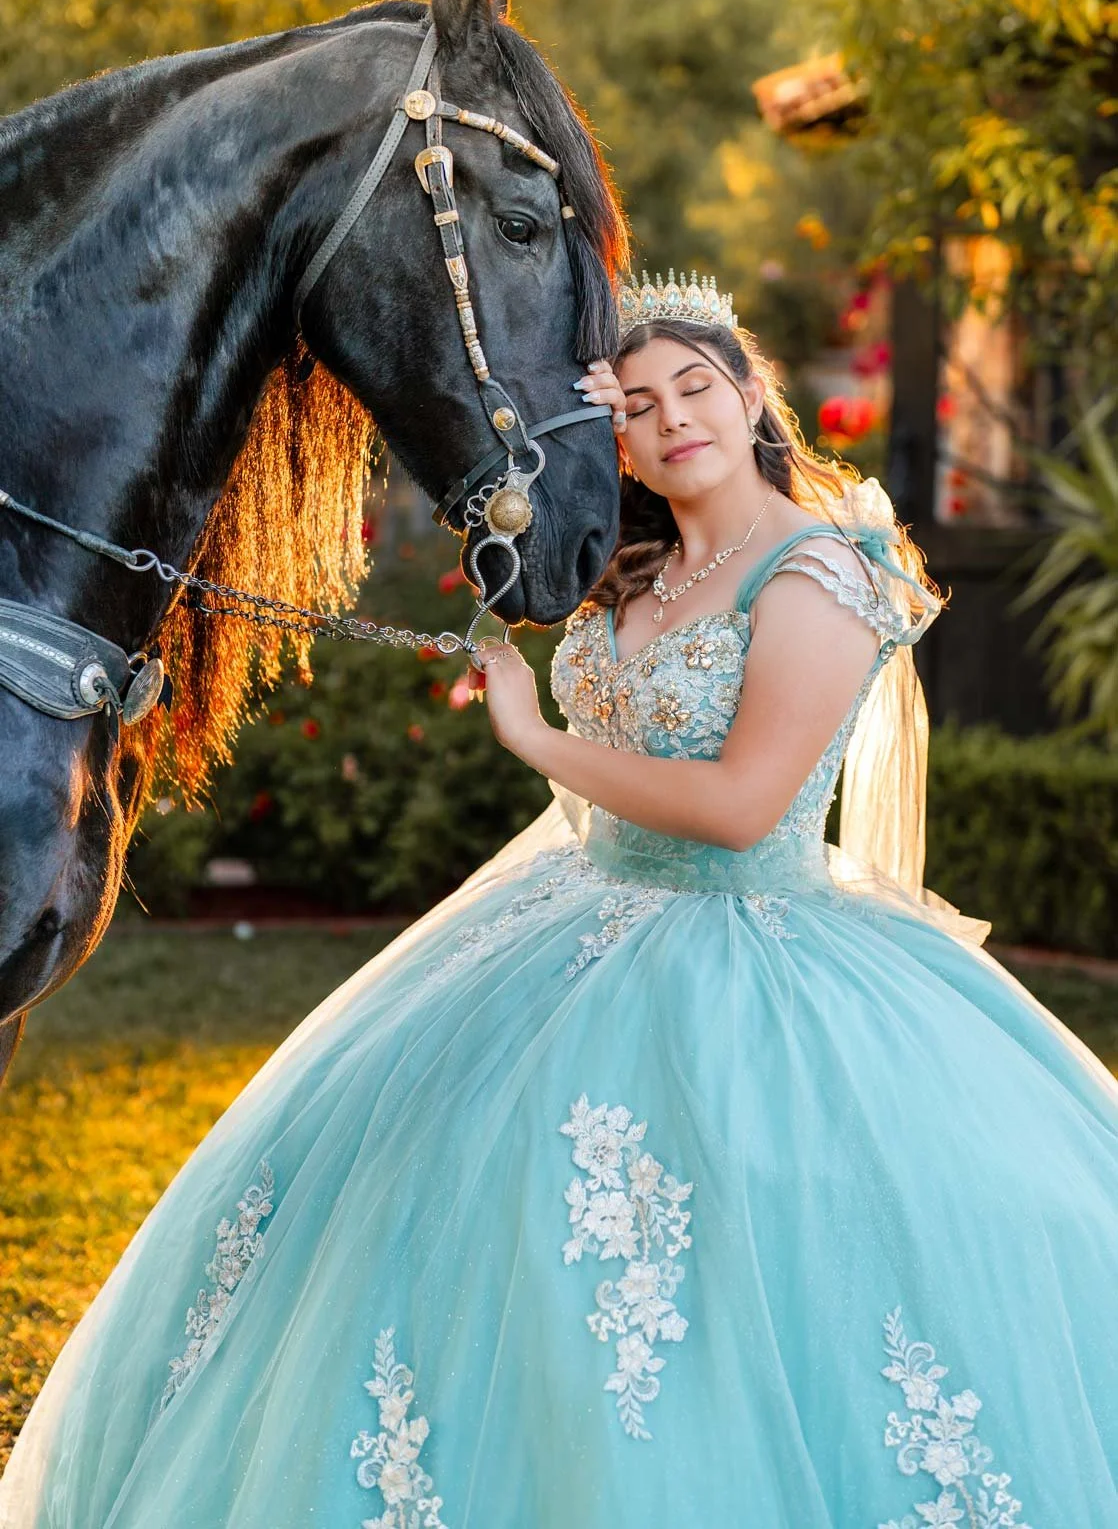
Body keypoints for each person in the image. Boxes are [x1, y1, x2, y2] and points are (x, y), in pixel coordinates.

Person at [3, 270, 1118, 1529]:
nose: (672, 419)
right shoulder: (628, 574)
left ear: (751, 396)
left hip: (757, 950)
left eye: (695, 386)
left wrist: (534, 735)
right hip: (578, 921)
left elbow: (743, 805)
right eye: (634, 406)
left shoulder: (819, 574)